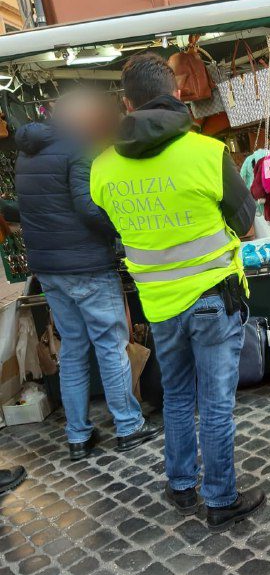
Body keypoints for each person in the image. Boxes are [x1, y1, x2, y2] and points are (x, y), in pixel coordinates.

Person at [90, 52, 264, 532]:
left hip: (159, 305)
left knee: (177, 395)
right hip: (213, 297)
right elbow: (246, 223)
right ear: (180, 93)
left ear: (126, 103)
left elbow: (114, 228)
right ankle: (221, 498)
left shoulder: (102, 168)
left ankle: (181, 485)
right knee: (215, 403)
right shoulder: (207, 154)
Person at [14, 90, 161, 461]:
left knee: (74, 351)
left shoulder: (25, 155)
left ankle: (78, 434)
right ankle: (128, 425)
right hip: (87, 267)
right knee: (110, 346)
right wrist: (120, 229)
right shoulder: (77, 149)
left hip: (49, 271)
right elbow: (87, 208)